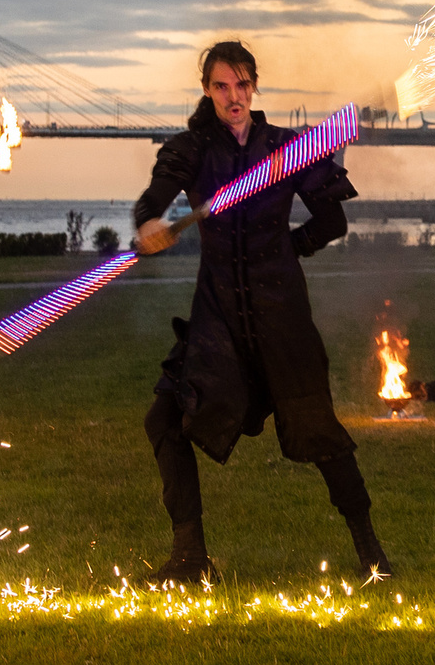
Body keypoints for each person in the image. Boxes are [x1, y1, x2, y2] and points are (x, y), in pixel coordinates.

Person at [130, 41, 387, 587]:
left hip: (281, 317)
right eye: (222, 86)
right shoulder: (194, 150)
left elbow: (333, 222)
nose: (234, 96)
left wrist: (286, 249)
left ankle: (373, 556)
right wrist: (150, 221)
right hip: (218, 319)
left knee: (319, 432)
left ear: (254, 86)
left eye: (242, 84)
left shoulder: (287, 148)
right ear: (207, 90)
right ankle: (191, 559)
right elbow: (155, 196)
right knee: (165, 419)